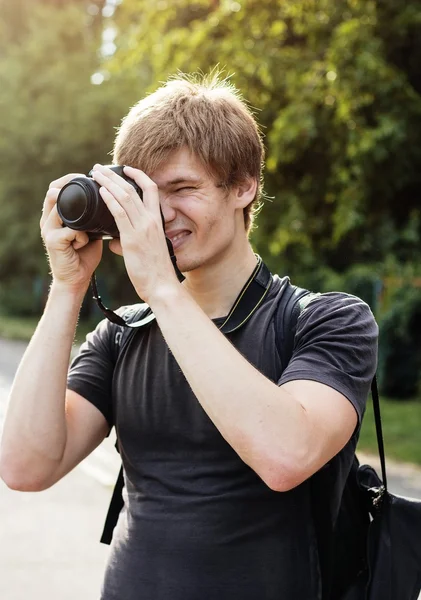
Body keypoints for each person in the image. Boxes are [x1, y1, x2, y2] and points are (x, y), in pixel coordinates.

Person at [0, 72, 378, 600]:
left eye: (182, 189)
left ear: (244, 185)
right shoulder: (124, 336)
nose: (162, 215)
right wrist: (68, 286)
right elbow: (25, 466)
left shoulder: (326, 320)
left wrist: (160, 287)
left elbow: (285, 457)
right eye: (147, 195)